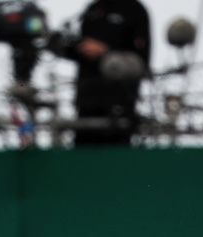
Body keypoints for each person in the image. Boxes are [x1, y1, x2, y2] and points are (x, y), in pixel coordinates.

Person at [65, 0, 151, 146]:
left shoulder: (135, 10)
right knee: (82, 158)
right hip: (87, 103)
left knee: (115, 159)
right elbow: (82, 50)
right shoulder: (93, 9)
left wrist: (105, 51)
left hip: (119, 106)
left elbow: (141, 61)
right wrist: (66, 45)